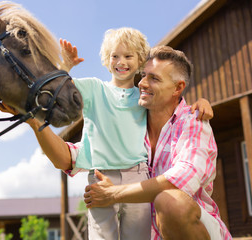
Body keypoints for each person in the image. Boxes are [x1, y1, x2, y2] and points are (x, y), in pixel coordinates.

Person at [0, 28, 213, 240]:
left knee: (137, 235)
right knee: (102, 235)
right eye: (115, 56)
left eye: (128, 56)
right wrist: (66, 67)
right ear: (106, 60)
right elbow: (59, 91)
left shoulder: (142, 98)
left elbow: (172, 107)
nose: (121, 61)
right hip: (100, 176)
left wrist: (200, 103)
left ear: (139, 60)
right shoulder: (94, 88)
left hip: (137, 174)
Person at [82, 45, 232, 239]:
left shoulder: (193, 123)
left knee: (171, 202)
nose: (142, 83)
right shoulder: (129, 123)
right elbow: (81, 151)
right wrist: (37, 125)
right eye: (143, 75)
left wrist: (113, 193)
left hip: (197, 228)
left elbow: (180, 181)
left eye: (154, 78)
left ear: (177, 88)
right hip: (146, 234)